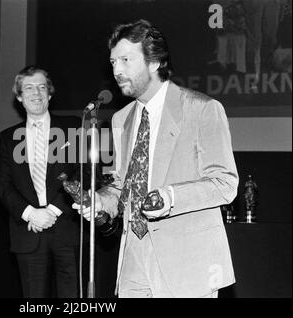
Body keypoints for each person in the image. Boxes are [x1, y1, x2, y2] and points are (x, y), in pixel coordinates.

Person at [74, 19, 239, 298]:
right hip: (133, 258)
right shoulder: (120, 119)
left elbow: (225, 183)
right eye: (113, 62)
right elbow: (119, 186)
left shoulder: (202, 110)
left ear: (154, 62)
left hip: (186, 260)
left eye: (126, 60)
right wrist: (102, 200)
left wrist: (171, 197)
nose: (117, 70)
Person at [0, 66, 80, 298]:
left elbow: (82, 173)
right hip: (28, 231)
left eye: (42, 87)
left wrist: (53, 210)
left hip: (66, 227)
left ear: (50, 94)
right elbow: (4, 186)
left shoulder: (73, 126)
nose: (36, 93)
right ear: (20, 97)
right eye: (29, 88)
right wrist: (31, 214)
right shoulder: (8, 137)